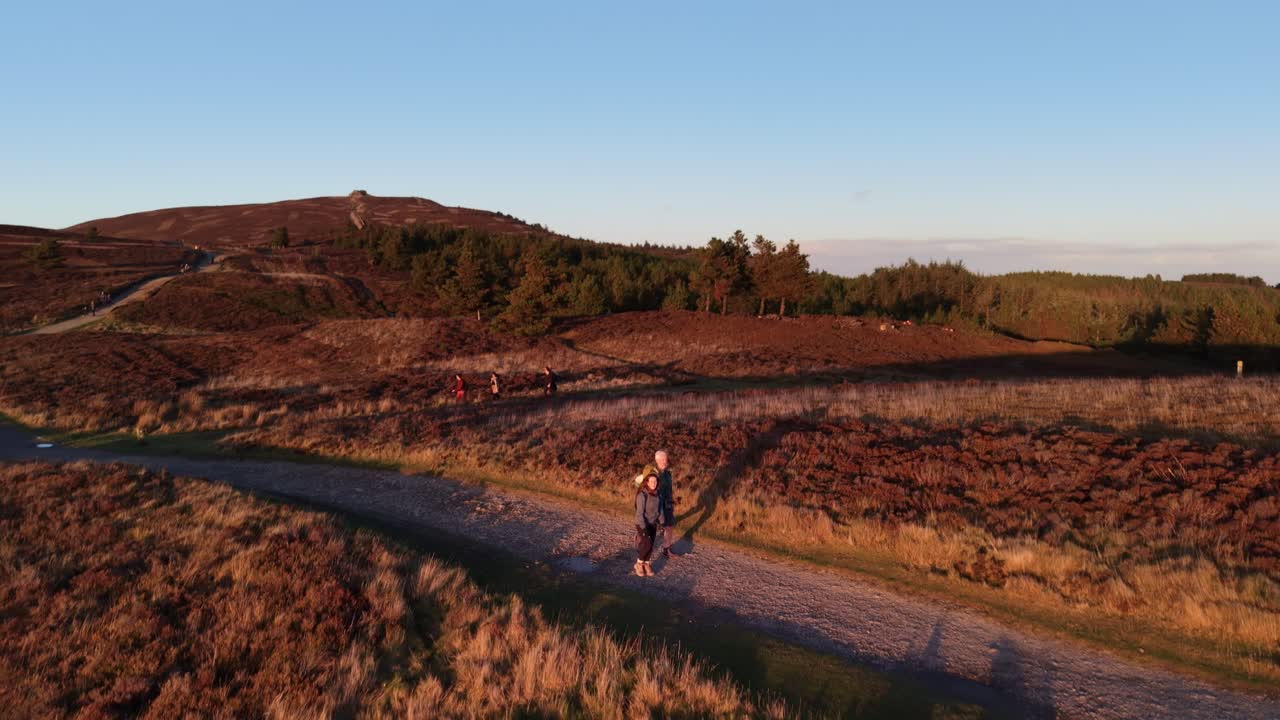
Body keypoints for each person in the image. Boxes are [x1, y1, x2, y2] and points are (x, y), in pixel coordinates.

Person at [634, 471, 664, 577]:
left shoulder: (659, 494)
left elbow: (659, 510)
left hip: (653, 523)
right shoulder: (642, 495)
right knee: (646, 543)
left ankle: (646, 564)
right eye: (651, 481)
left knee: (651, 546)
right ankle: (638, 564)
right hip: (642, 523)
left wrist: (662, 521)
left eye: (655, 481)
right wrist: (643, 528)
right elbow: (639, 513)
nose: (653, 483)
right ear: (647, 482)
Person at [653, 450, 679, 558]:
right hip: (656, 505)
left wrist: (672, 500)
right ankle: (644, 555)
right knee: (651, 529)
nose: (665, 461)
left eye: (666, 459)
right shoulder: (653, 473)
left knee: (669, 527)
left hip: (667, 505)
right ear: (657, 460)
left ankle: (666, 549)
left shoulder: (668, 474)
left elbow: (669, 489)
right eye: (662, 459)